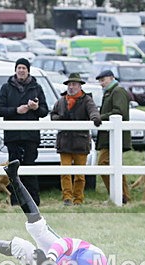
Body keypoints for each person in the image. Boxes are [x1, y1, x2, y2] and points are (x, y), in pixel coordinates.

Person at [0, 160, 108, 265]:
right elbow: (65, 243)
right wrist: (52, 258)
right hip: (62, 256)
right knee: (39, 227)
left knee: (22, 247)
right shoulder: (92, 253)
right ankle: (14, 179)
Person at [0, 57, 49, 207]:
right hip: (13, 135)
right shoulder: (6, 87)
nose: (21, 70)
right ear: (15, 70)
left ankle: (34, 201)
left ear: (28, 70)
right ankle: (16, 200)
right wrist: (15, 110)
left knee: (30, 167)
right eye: (19, 67)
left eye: (24, 68)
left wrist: (36, 108)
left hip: (30, 135)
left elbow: (44, 111)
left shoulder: (36, 88)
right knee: (14, 168)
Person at [50, 73, 101, 206]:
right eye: (69, 84)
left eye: (74, 84)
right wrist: (57, 119)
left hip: (80, 142)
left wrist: (95, 118)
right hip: (65, 142)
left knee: (80, 174)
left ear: (80, 86)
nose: (71, 87)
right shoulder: (61, 101)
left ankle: (78, 199)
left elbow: (93, 111)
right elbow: (53, 114)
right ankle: (67, 197)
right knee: (65, 172)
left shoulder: (87, 100)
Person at [95, 68, 132, 203]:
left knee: (104, 164)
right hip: (109, 137)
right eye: (100, 81)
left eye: (103, 80)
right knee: (114, 166)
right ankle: (122, 197)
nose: (101, 83)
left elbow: (119, 112)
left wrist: (100, 117)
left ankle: (119, 196)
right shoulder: (111, 92)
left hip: (115, 137)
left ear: (111, 78)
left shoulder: (117, 91)